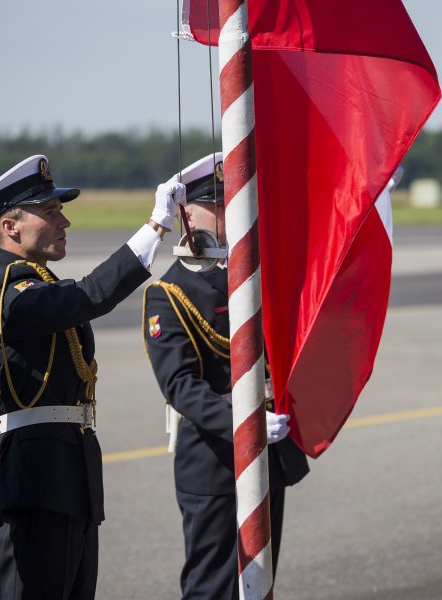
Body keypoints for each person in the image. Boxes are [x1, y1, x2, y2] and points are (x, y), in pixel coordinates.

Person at [0, 154, 183, 599]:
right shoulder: (2, 287)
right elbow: (89, 296)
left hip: (69, 479)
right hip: (34, 482)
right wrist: (156, 227)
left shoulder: (39, 283)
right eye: (49, 212)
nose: (64, 221)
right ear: (10, 227)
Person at [142, 153, 309, 599]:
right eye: (217, 202)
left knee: (261, 583)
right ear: (186, 213)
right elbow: (181, 387)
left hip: (270, 454)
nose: (230, 209)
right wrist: (244, 423)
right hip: (215, 461)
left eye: (233, 199)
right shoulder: (170, 293)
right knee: (214, 586)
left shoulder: (257, 275)